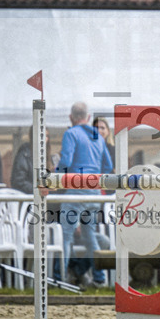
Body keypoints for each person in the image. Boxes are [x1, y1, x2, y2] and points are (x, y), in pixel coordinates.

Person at [55, 101, 112, 287]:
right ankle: (99, 278)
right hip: (94, 192)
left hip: (76, 190)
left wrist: (55, 179)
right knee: (89, 236)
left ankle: (60, 279)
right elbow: (109, 166)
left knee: (65, 235)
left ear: (71, 118)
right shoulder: (98, 136)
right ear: (88, 118)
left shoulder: (71, 133)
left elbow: (66, 160)